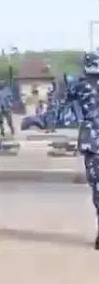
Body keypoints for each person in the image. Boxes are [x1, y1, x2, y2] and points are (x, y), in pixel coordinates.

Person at [74, 50, 99, 249]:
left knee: (97, 187)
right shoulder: (82, 86)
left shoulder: (80, 86)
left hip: (91, 142)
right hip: (92, 142)